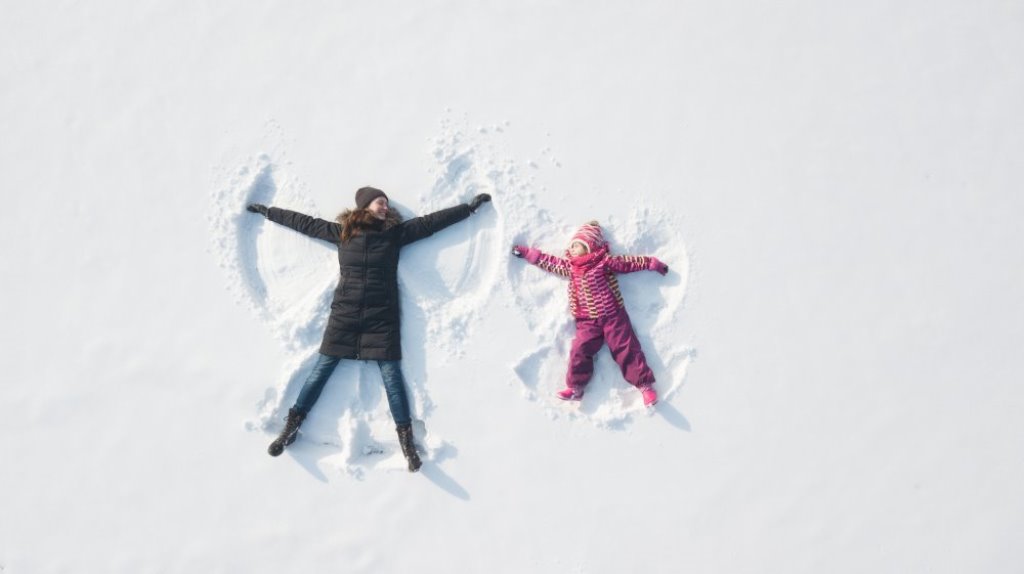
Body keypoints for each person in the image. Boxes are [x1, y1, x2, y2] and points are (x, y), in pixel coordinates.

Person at [247, 187, 492, 471]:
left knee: (392, 378)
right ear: (365, 206)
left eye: (386, 203)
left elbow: (429, 223)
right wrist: (268, 212)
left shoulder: (394, 234)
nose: (385, 207)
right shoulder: (343, 233)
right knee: (321, 370)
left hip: (381, 318)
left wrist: (468, 209)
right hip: (345, 316)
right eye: (380, 202)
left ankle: (407, 445)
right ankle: (290, 429)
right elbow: (303, 223)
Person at [512, 221, 668, 407]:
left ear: (590, 247)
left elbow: (628, 263)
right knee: (580, 349)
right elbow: (550, 263)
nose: (573, 248)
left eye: (579, 245)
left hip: (613, 316)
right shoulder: (572, 267)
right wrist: (528, 253)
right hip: (587, 321)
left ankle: (645, 386)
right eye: (573, 245)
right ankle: (576, 388)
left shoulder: (604, 263)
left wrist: (651, 263)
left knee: (626, 348)